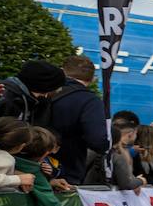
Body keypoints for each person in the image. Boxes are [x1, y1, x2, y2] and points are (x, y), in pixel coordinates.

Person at [41, 55, 110, 185]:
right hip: (65, 172)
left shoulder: (42, 91)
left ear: (62, 71)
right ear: (92, 79)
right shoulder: (90, 101)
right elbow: (97, 140)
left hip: (28, 167)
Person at [0, 60, 65, 124]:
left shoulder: (29, 99)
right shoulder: (3, 97)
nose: (45, 96)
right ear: (43, 87)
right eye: (46, 92)